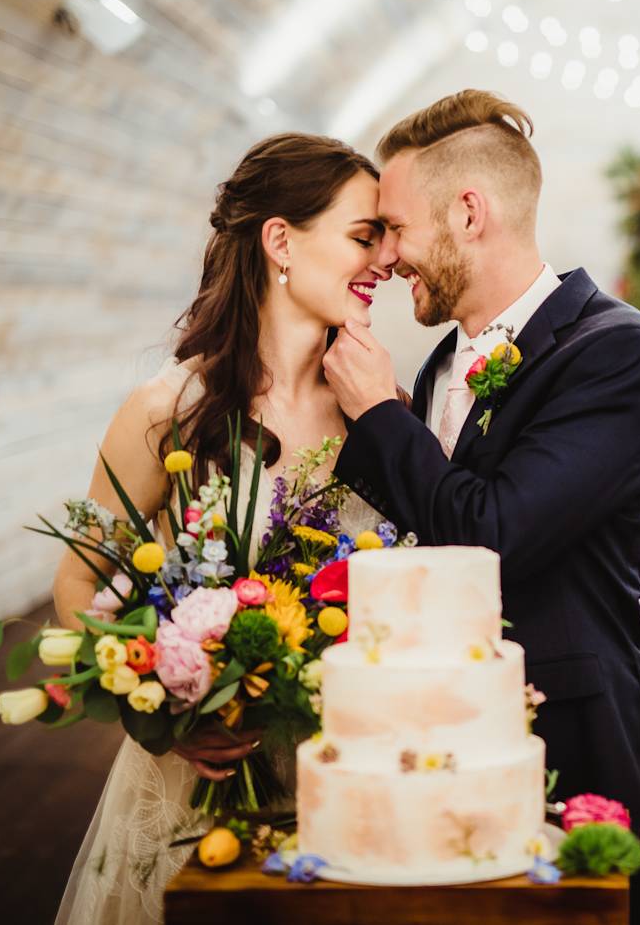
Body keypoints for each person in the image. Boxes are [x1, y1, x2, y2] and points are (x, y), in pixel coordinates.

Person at [322, 90, 640, 924]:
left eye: (398, 229)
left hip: (570, 746)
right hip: (444, 741)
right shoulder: (441, 361)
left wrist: (380, 417)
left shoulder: (616, 351)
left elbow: (490, 535)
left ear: (470, 212)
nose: (390, 256)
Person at [52, 133, 395, 924]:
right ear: (280, 239)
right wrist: (164, 721)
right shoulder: (168, 410)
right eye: (361, 236)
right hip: (197, 783)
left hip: (339, 774)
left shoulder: (382, 414)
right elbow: (76, 583)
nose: (382, 261)